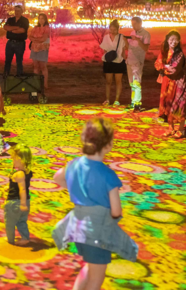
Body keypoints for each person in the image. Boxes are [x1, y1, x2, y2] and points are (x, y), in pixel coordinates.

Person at [52, 118, 138, 290]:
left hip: (78, 229)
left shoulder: (74, 165)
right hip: (97, 234)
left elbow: (57, 177)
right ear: (107, 146)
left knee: (90, 267)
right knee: (96, 279)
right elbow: (115, 211)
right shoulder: (108, 175)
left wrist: (76, 188)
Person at [155, 30, 186, 138]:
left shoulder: (180, 54)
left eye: (176, 40)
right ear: (167, 40)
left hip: (178, 82)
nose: (174, 42)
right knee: (167, 103)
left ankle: (181, 129)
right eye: (171, 39)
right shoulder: (164, 52)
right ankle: (170, 128)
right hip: (166, 82)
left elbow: (174, 70)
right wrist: (164, 67)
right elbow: (157, 63)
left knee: (178, 104)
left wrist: (163, 67)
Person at [4, 146, 32, 246]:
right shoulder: (27, 171)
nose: (12, 160)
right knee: (21, 221)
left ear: (20, 159)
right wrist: (10, 186)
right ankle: (25, 237)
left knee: (10, 222)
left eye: (13, 158)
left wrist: (22, 204)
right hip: (26, 201)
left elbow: (22, 189)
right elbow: (22, 185)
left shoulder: (18, 174)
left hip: (15, 202)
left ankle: (10, 240)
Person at [100, 19, 127, 107]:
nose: (112, 31)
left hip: (119, 61)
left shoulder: (121, 37)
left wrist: (124, 59)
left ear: (118, 29)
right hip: (108, 61)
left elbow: (124, 49)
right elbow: (104, 50)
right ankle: (107, 99)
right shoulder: (106, 37)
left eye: (114, 29)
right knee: (108, 81)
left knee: (118, 81)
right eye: (111, 29)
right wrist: (106, 58)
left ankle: (117, 100)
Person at [126, 17, 151, 112]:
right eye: (132, 24)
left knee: (136, 82)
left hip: (138, 61)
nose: (133, 26)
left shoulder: (146, 34)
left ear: (140, 23)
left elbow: (145, 48)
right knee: (132, 83)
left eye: (134, 24)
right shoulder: (132, 33)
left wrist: (137, 40)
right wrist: (125, 40)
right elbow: (128, 46)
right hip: (130, 60)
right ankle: (133, 102)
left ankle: (137, 103)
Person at [28, 13, 51, 101]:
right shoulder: (35, 28)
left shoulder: (47, 29)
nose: (41, 20)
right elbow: (30, 36)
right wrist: (37, 40)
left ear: (45, 20)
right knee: (35, 66)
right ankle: (36, 82)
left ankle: (45, 84)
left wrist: (35, 40)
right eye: (39, 18)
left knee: (43, 66)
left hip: (43, 49)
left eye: (42, 18)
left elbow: (43, 39)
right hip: (34, 49)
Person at [3, 5, 29, 77]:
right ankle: (6, 75)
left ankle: (19, 76)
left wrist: (11, 29)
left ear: (21, 12)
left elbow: (22, 30)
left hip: (20, 43)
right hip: (10, 42)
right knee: (7, 60)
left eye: (18, 11)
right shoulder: (10, 19)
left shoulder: (25, 20)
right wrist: (16, 27)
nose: (16, 12)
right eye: (15, 11)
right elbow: (5, 27)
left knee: (19, 61)